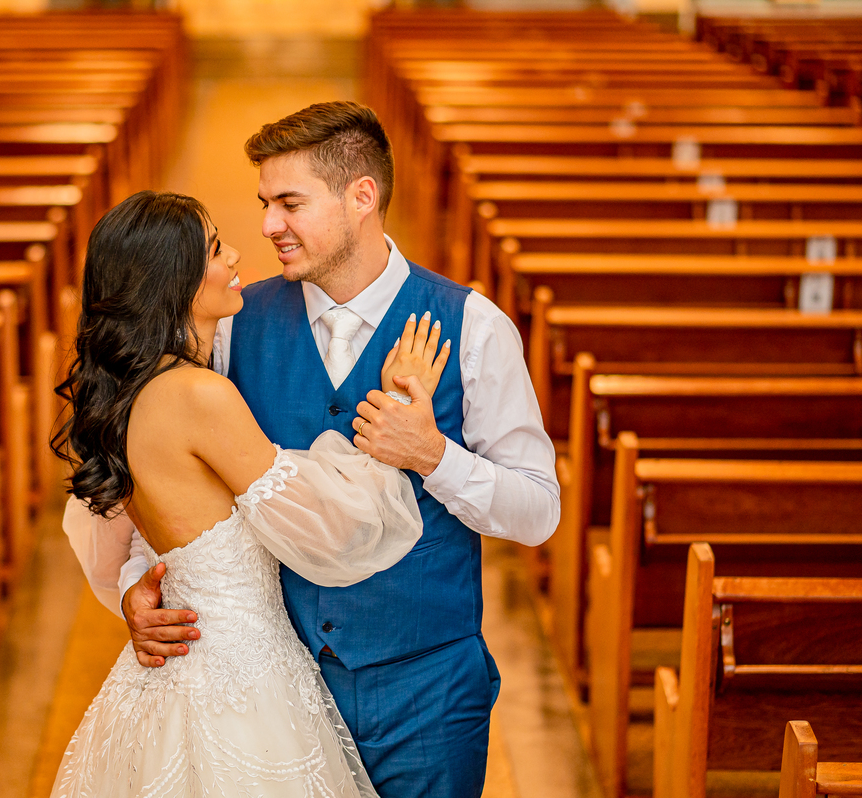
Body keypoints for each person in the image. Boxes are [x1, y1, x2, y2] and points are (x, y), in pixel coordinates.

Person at [117, 101, 561, 798]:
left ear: (362, 197)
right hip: (278, 691)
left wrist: (435, 457)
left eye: (289, 203)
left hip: (430, 693)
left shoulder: (473, 326)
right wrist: (136, 583)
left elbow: (538, 512)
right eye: (265, 203)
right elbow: (170, 475)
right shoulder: (235, 325)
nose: (267, 225)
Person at [51, 189, 453, 797]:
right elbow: (324, 528)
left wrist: (140, 588)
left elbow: (121, 546)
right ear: (175, 281)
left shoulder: (129, 392)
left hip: (180, 669)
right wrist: (397, 405)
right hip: (239, 682)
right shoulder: (195, 395)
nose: (237, 254)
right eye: (215, 249)